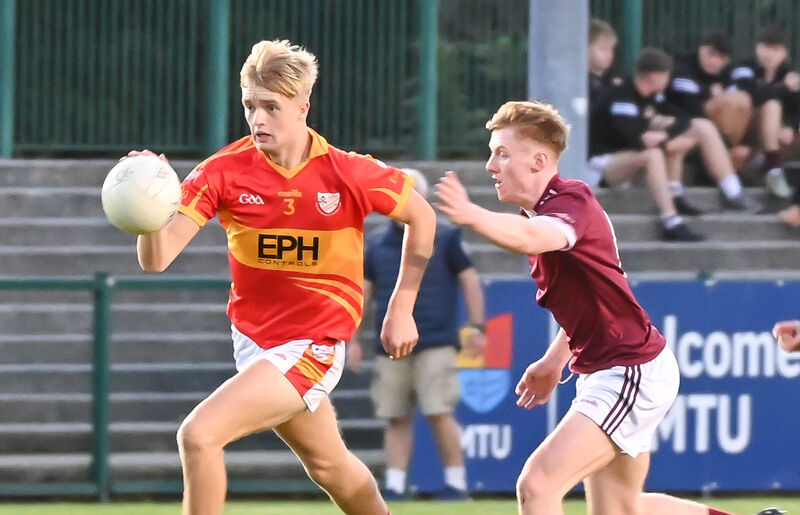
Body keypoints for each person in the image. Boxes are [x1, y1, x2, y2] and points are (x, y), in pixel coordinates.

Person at [434, 100, 783, 515]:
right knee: (620, 508)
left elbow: (530, 237)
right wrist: (553, 360)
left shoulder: (569, 201)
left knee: (538, 485)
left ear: (539, 161)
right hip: (615, 367)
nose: (491, 165)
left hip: (629, 367)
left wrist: (472, 214)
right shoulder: (545, 211)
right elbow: (593, 302)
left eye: (501, 153)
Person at [132, 39, 436, 515]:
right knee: (330, 466)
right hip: (254, 341)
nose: (258, 119)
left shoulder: (349, 173)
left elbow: (423, 216)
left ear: (302, 108)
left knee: (198, 435)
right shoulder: (222, 172)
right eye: (250, 105)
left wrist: (401, 308)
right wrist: (148, 209)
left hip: (314, 343)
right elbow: (157, 258)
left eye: (271, 107)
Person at [348, 168, 486, 501]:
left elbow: (469, 281)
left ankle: (456, 483)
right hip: (392, 344)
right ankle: (395, 485)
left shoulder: (445, 237)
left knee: (439, 411)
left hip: (436, 339)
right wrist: (353, 338)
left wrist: (477, 327)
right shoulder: (378, 243)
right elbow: (365, 294)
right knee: (395, 415)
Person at [729, 24, 800, 199]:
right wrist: (783, 87)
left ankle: (766, 166)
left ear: (784, 53)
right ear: (756, 48)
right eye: (765, 47)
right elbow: (752, 97)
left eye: (775, 49)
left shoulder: (789, 74)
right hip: (744, 132)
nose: (768, 54)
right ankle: (774, 170)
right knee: (772, 105)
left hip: (773, 137)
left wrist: (791, 127)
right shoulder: (743, 68)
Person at [665, 31, 754, 171]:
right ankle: (724, 158)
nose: (715, 61)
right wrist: (710, 94)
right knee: (730, 101)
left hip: (717, 134)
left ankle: (727, 156)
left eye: (721, 58)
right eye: (711, 54)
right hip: (683, 126)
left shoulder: (728, 72)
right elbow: (690, 107)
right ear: (701, 49)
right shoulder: (683, 68)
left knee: (741, 99)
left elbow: (754, 93)